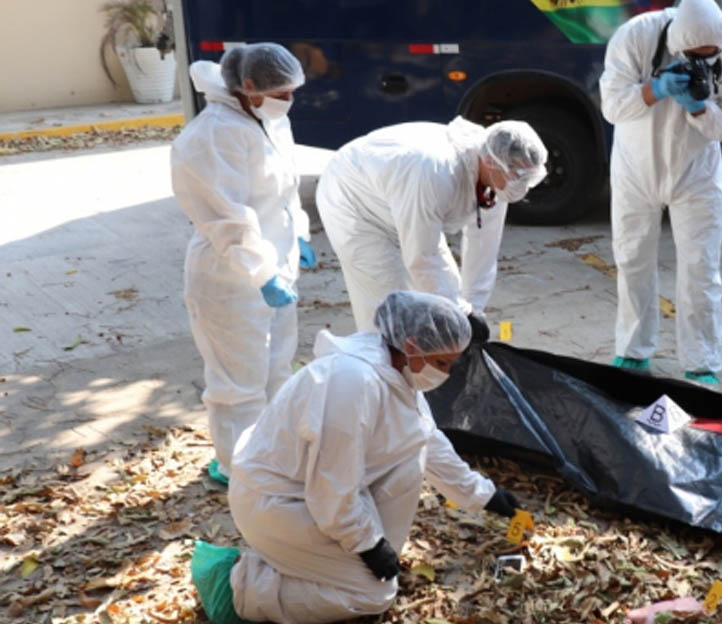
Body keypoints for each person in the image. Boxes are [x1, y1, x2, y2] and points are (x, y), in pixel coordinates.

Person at [190, 291, 523, 623]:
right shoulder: (353, 382)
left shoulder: (394, 371)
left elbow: (426, 440)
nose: (445, 374)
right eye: (441, 363)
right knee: (372, 595)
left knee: (410, 459)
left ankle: (321, 562)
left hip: (310, 496)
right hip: (277, 503)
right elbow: (330, 487)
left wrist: (484, 495)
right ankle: (237, 587)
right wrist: (368, 545)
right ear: (410, 345)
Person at [170, 43, 313, 485]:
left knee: (275, 371)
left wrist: (301, 236)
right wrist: (263, 273)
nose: (288, 100)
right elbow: (229, 218)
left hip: (275, 268)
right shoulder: (212, 135)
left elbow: (287, 188)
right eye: (282, 92)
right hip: (229, 278)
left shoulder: (268, 119)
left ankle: (269, 455)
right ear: (248, 86)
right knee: (238, 383)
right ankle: (239, 471)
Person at [599, 0, 722, 385]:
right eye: (696, 57)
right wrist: (656, 90)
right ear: (678, 43)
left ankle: (701, 361)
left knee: (702, 268)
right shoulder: (636, 35)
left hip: (696, 174)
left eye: (710, 57)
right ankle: (632, 351)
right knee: (632, 259)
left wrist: (701, 108)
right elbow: (612, 107)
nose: (704, 63)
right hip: (637, 170)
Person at [316, 118, 547, 340]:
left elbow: (484, 248)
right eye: (518, 176)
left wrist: (473, 310)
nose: (522, 186)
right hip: (355, 203)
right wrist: (460, 313)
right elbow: (422, 257)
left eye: (530, 178)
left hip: (404, 203)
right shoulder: (435, 170)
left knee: (441, 294)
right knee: (390, 306)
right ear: (491, 161)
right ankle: (380, 371)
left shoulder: (495, 180)